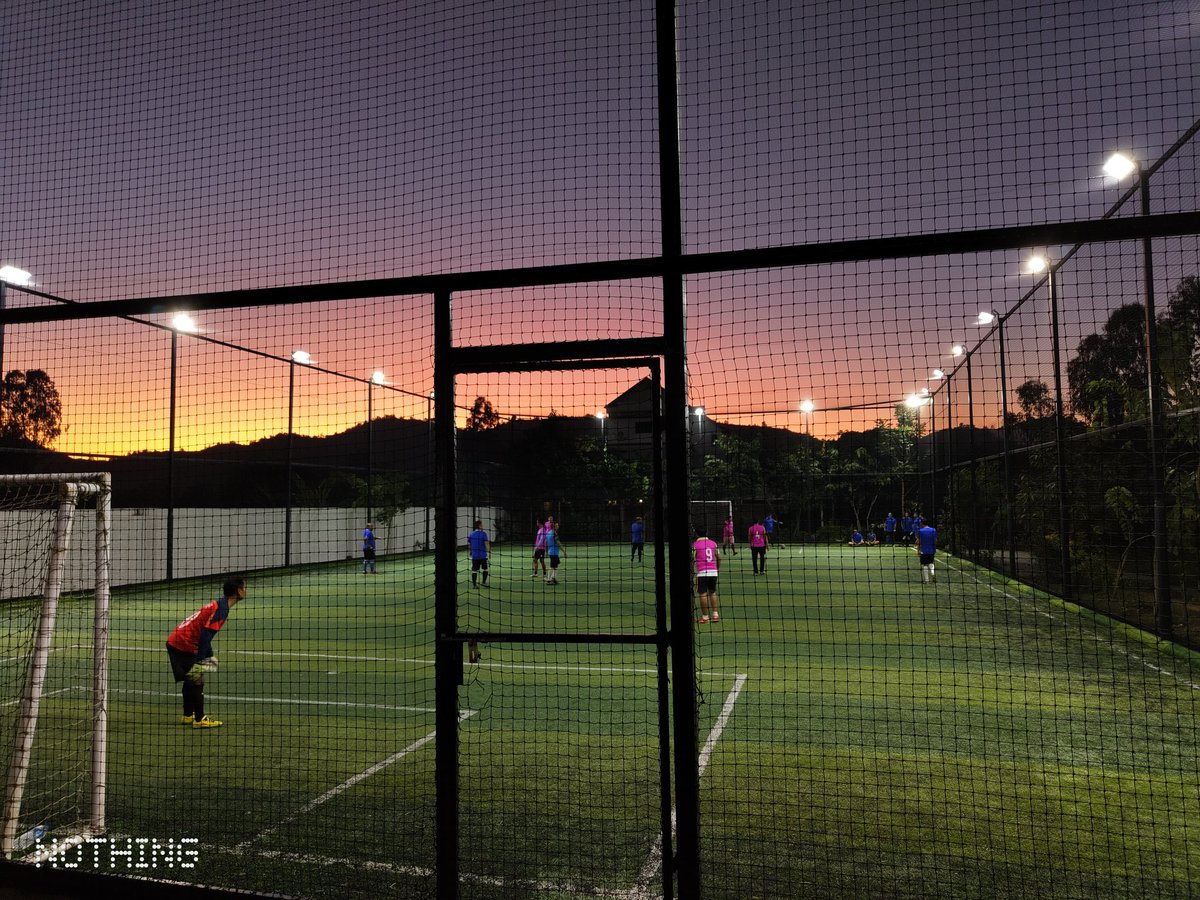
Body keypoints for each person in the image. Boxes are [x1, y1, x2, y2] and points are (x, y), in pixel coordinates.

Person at [166, 576, 246, 729]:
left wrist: (208, 655)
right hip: (184, 644)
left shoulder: (220, 605)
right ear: (237, 591)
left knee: (193, 676)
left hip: (176, 641)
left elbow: (205, 635)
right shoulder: (221, 609)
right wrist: (201, 659)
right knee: (197, 679)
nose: (245, 590)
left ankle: (188, 715)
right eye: (244, 588)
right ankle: (199, 718)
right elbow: (205, 636)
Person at [693, 528, 720, 623]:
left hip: (702, 573)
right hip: (713, 572)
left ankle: (705, 617)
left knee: (703, 593)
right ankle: (715, 615)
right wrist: (717, 568)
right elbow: (719, 558)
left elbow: (691, 558)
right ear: (706, 533)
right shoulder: (713, 543)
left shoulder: (695, 545)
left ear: (696, 535)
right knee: (712, 592)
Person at [468, 519, 490, 588]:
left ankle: (474, 585)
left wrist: (471, 552)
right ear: (480, 526)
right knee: (485, 569)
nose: (483, 526)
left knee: (474, 570)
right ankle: (483, 582)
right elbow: (486, 544)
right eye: (482, 524)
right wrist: (489, 553)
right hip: (483, 555)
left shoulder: (471, 534)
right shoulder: (483, 534)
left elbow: (470, 544)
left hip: (475, 556)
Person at [544, 519, 565, 585]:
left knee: (555, 565)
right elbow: (558, 543)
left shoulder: (548, 533)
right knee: (552, 566)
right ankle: (549, 579)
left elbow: (546, 543)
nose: (558, 526)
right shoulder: (554, 533)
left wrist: (546, 552)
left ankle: (553, 578)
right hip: (554, 552)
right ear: (554, 527)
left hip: (551, 552)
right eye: (557, 525)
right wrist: (564, 550)